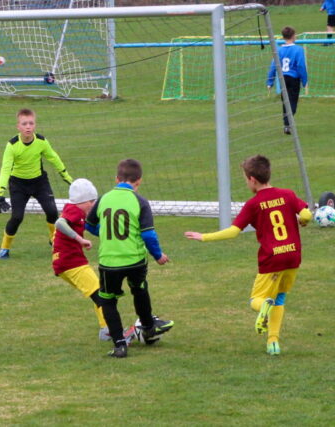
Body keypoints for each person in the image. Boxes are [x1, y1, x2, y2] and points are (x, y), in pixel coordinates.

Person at [185, 155, 311, 356]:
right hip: (293, 256)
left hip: (272, 260)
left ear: (252, 179)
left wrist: (204, 237)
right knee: (280, 298)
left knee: (256, 300)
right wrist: (303, 222)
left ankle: (264, 306)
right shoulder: (287, 194)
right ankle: (273, 343)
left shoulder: (254, 204)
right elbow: (306, 214)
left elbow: (233, 232)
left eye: (245, 179)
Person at [86, 159, 174, 358]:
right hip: (135, 260)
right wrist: (158, 255)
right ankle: (148, 327)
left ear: (116, 179)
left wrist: (105, 233)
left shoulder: (104, 199)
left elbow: (89, 224)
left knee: (108, 301)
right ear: (139, 181)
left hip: (109, 261)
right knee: (139, 288)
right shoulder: (140, 201)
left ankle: (119, 345)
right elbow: (148, 235)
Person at [0, 108, 73, 259]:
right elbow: (5, 169)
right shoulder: (12, 145)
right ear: (18, 126)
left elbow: (54, 158)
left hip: (39, 182)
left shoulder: (41, 141)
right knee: (17, 217)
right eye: (24, 124)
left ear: (35, 125)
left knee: (52, 211)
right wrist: (0, 193)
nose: (28, 127)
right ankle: (4, 249)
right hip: (18, 185)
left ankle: (54, 240)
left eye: (31, 123)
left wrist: (68, 178)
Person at [52, 179, 109, 341]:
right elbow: (59, 223)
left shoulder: (75, 211)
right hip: (71, 262)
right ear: (82, 201)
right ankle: (108, 330)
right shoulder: (74, 210)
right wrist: (80, 239)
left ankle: (106, 328)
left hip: (65, 262)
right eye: (91, 202)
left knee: (97, 293)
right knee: (100, 293)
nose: (93, 205)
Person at [266, 26, 308, 135]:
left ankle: (286, 125)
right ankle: (288, 123)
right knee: (292, 102)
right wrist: (304, 80)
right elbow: (301, 66)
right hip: (294, 79)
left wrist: (270, 81)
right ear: (293, 36)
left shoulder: (279, 50)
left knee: (285, 101)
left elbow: (273, 66)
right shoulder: (298, 49)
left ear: (283, 37)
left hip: (282, 78)